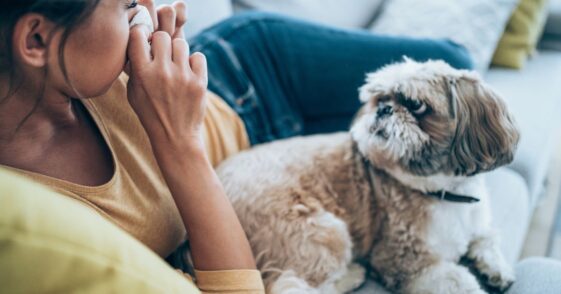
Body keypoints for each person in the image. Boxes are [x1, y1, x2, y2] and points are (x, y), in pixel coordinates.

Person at [0, 0, 471, 292]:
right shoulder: (42, 212)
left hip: (250, 68)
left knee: (454, 72)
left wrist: (156, 30)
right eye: (126, 6)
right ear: (37, 39)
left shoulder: (76, 68)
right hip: (268, 172)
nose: (142, 18)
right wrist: (180, 142)